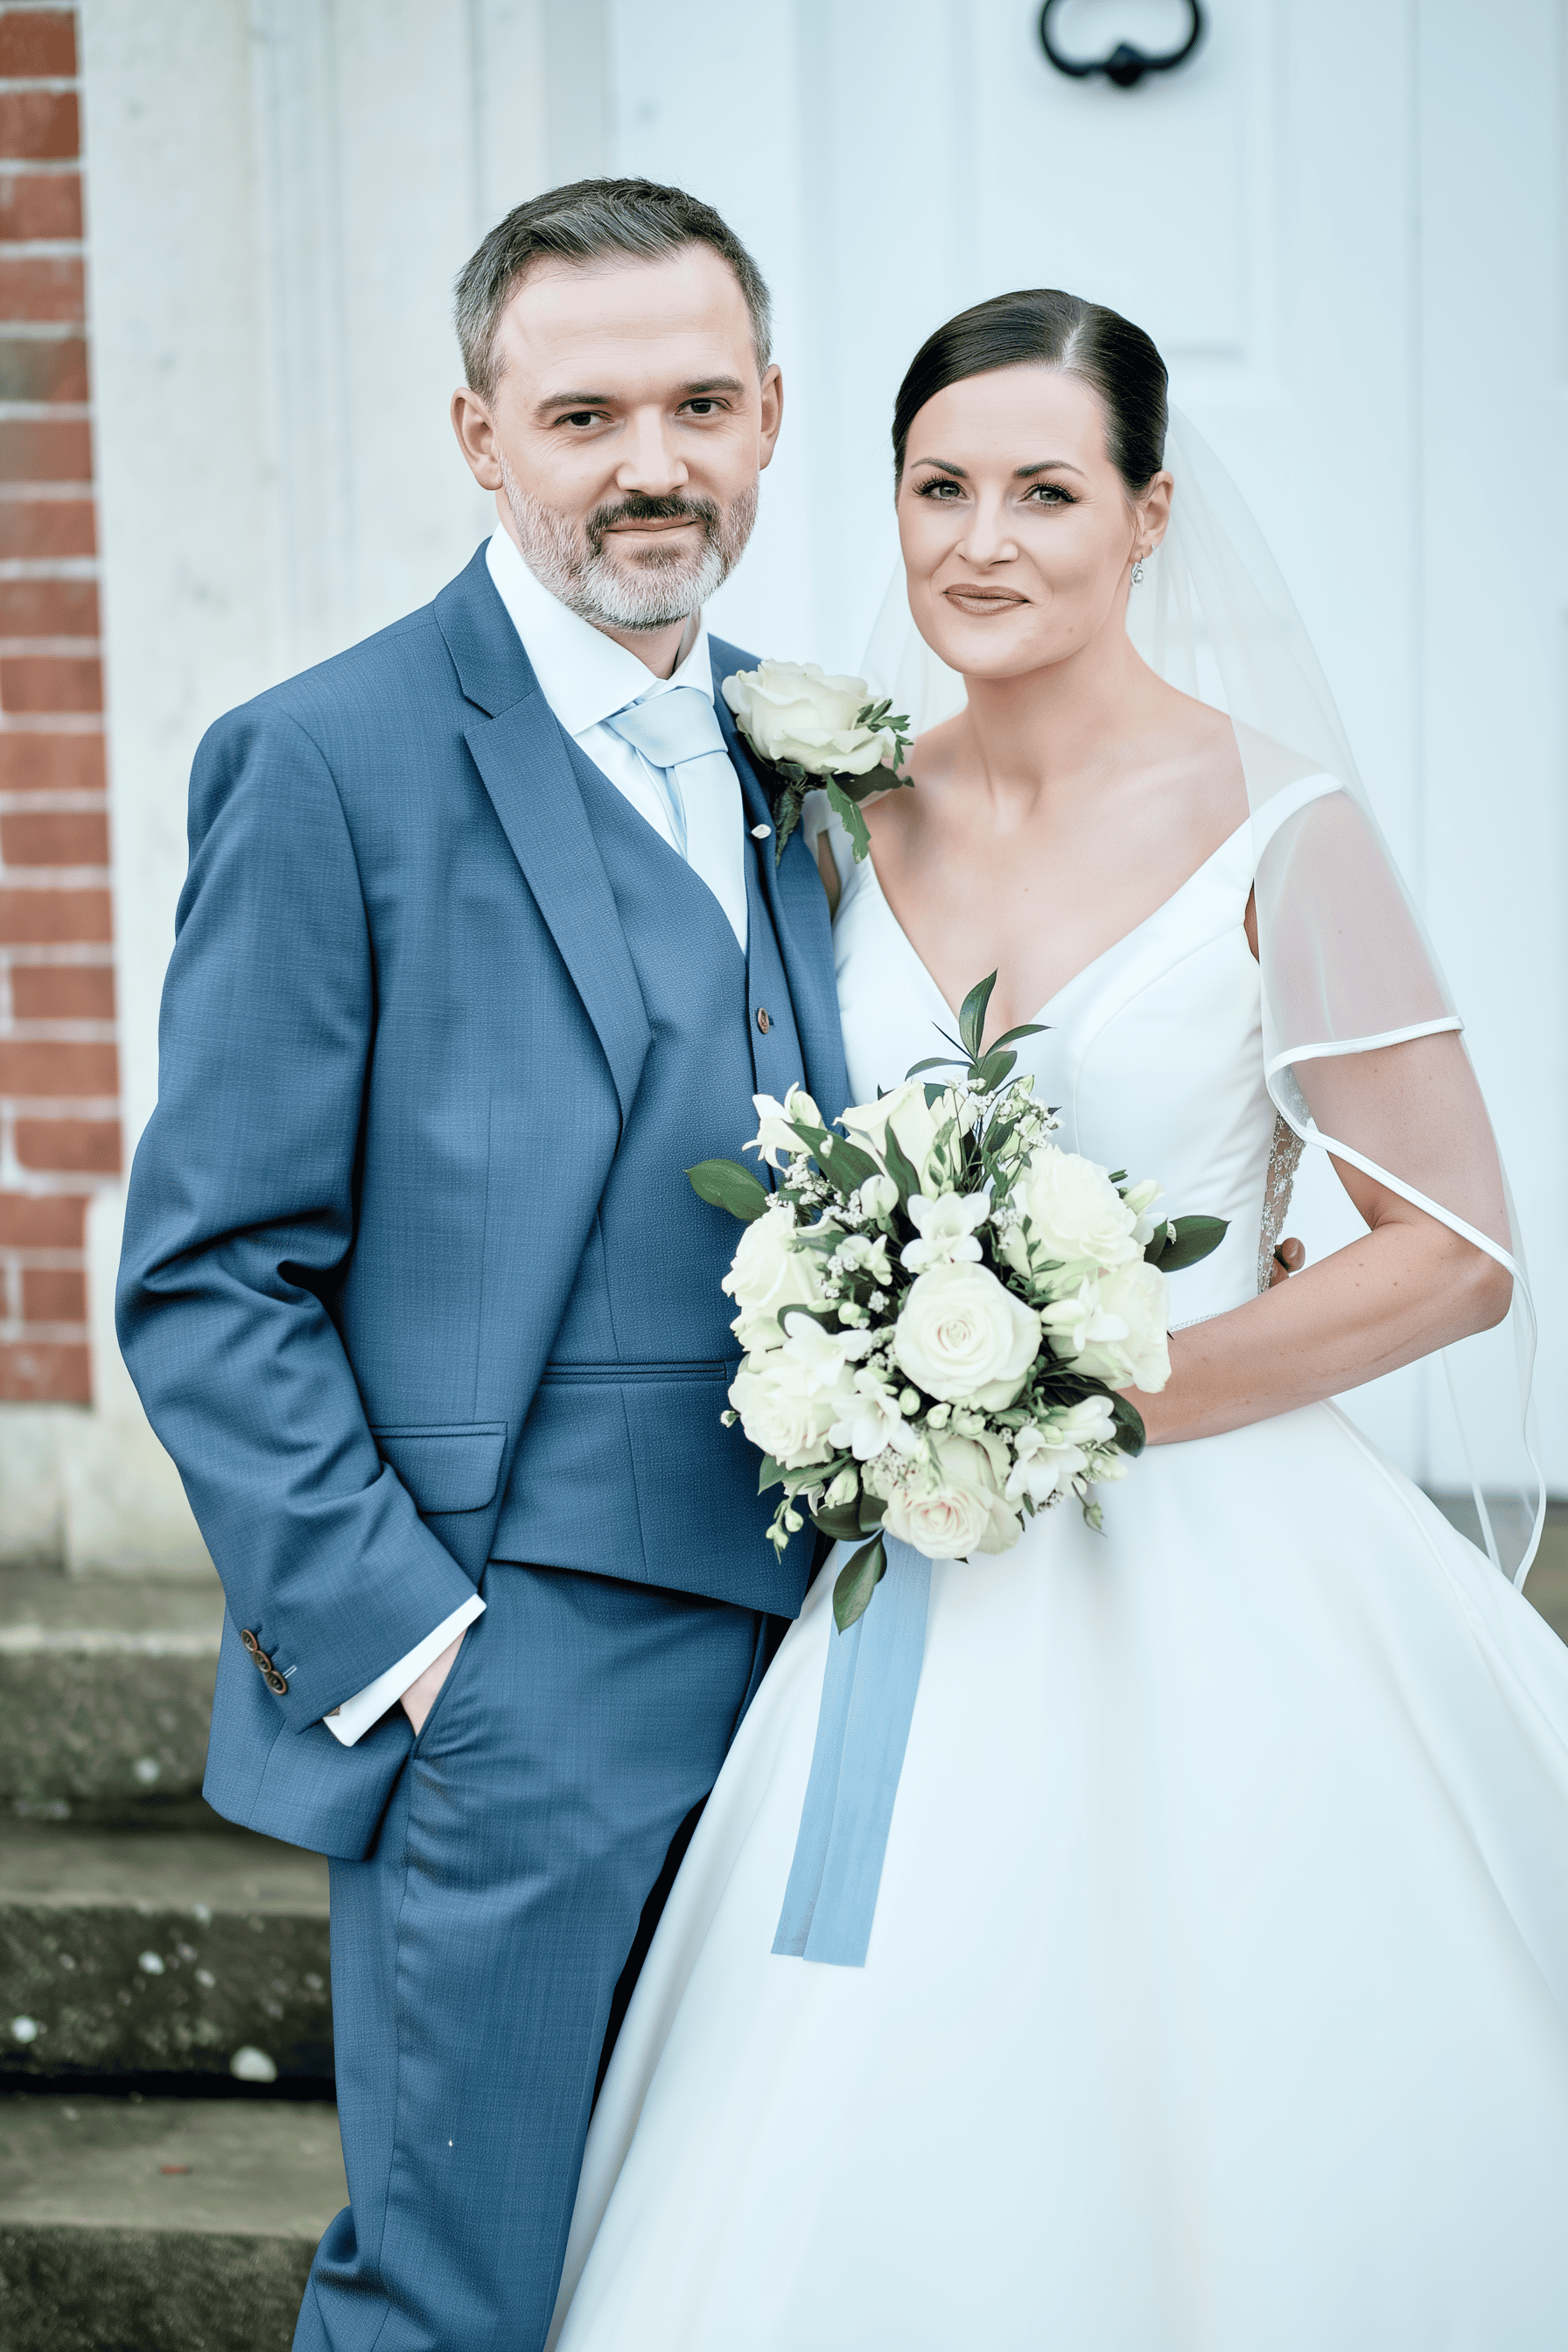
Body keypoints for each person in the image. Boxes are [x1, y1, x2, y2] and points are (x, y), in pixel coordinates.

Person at [545, 291, 1568, 2350]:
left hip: (1213, 1555)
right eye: (937, 489)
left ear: (1147, 514)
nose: (981, 541)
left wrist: (1082, 1392)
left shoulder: (1280, 829)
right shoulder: (829, 820)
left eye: (1043, 491)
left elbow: (1452, 1245)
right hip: (900, 1568)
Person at [116, 178, 852, 2352]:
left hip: (828, 1662)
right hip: (513, 1674)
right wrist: (416, 1641)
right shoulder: (327, 761)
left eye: (700, 403)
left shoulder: (804, 751)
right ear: (477, 436)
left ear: (769, 416)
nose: (652, 465)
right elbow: (208, 1268)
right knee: (465, 2294)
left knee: (738, 2267)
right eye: (585, 412)